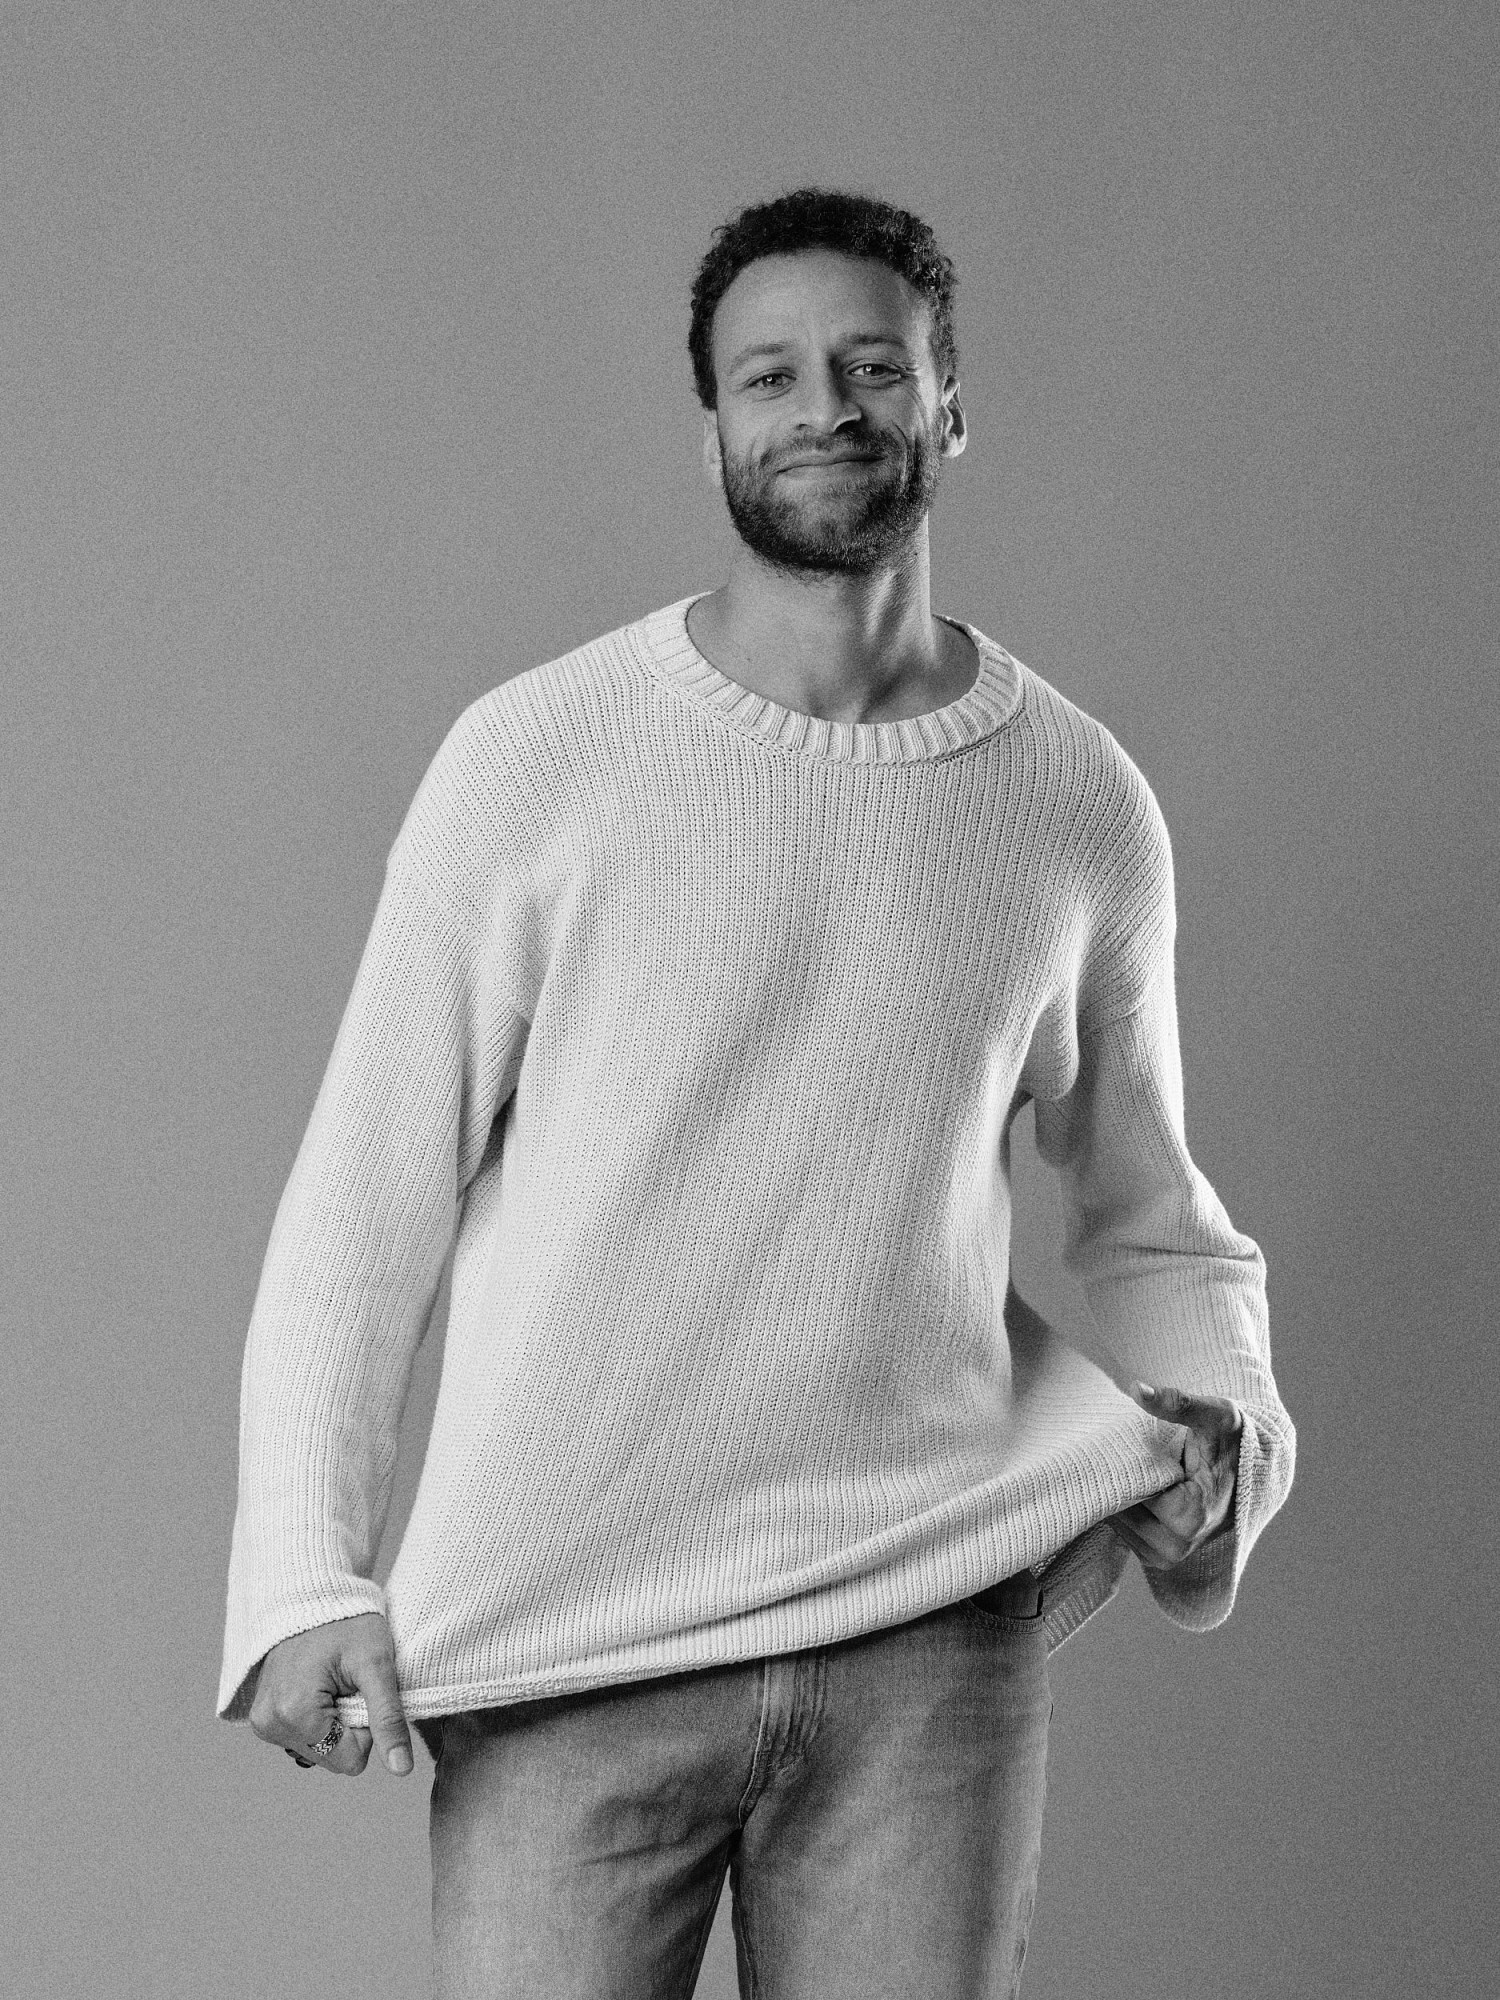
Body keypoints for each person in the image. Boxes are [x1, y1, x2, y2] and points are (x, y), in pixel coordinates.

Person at [219, 187, 1295, 1998]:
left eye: (873, 367)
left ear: (950, 404)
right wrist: (300, 1578)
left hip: (930, 1641)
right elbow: (363, 1198)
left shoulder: (1077, 805)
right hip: (575, 1646)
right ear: (712, 424)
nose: (824, 410)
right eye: (771, 376)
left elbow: (1153, 1214)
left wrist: (1231, 1432)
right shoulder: (538, 759)